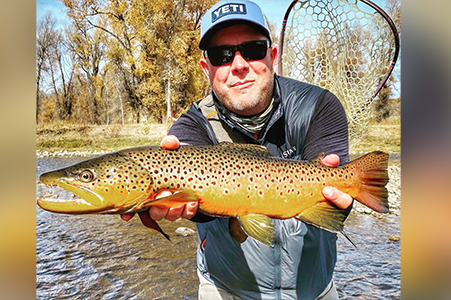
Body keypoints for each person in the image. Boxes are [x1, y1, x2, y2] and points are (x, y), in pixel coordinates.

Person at [123, 1, 353, 299]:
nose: (239, 65)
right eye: (222, 55)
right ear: (207, 69)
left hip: (314, 291)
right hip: (225, 290)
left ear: (272, 56)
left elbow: (336, 205)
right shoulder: (191, 127)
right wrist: (185, 207)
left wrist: (342, 203)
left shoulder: (319, 105)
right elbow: (198, 206)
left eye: (253, 50)